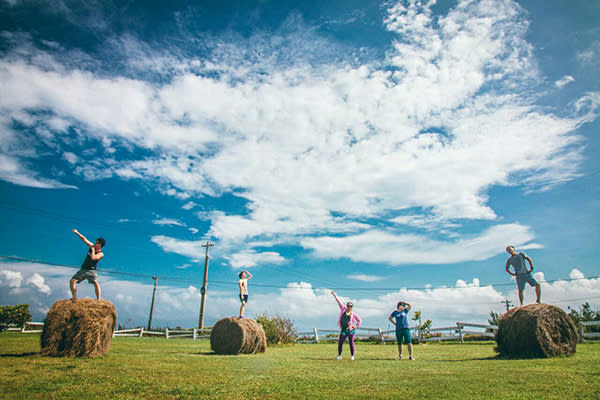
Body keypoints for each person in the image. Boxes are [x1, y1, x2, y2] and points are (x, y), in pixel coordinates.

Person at [70, 229, 105, 300]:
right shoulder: (92, 246)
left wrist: (92, 250)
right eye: (96, 242)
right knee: (72, 281)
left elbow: (93, 258)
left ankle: (98, 300)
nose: (95, 243)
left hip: (92, 271)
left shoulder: (101, 254)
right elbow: (84, 239)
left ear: (100, 244)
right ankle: (74, 298)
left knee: (95, 283)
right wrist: (77, 232)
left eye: (97, 242)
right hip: (83, 269)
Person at [331, 291, 362, 360]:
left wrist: (356, 326)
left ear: (352, 307)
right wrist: (334, 295)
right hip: (343, 330)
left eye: (350, 306)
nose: (349, 307)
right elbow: (338, 301)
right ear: (346, 306)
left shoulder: (353, 314)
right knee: (340, 343)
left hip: (350, 331)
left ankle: (352, 356)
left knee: (351, 343)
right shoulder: (343, 309)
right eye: (348, 305)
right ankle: (339, 356)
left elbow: (359, 320)